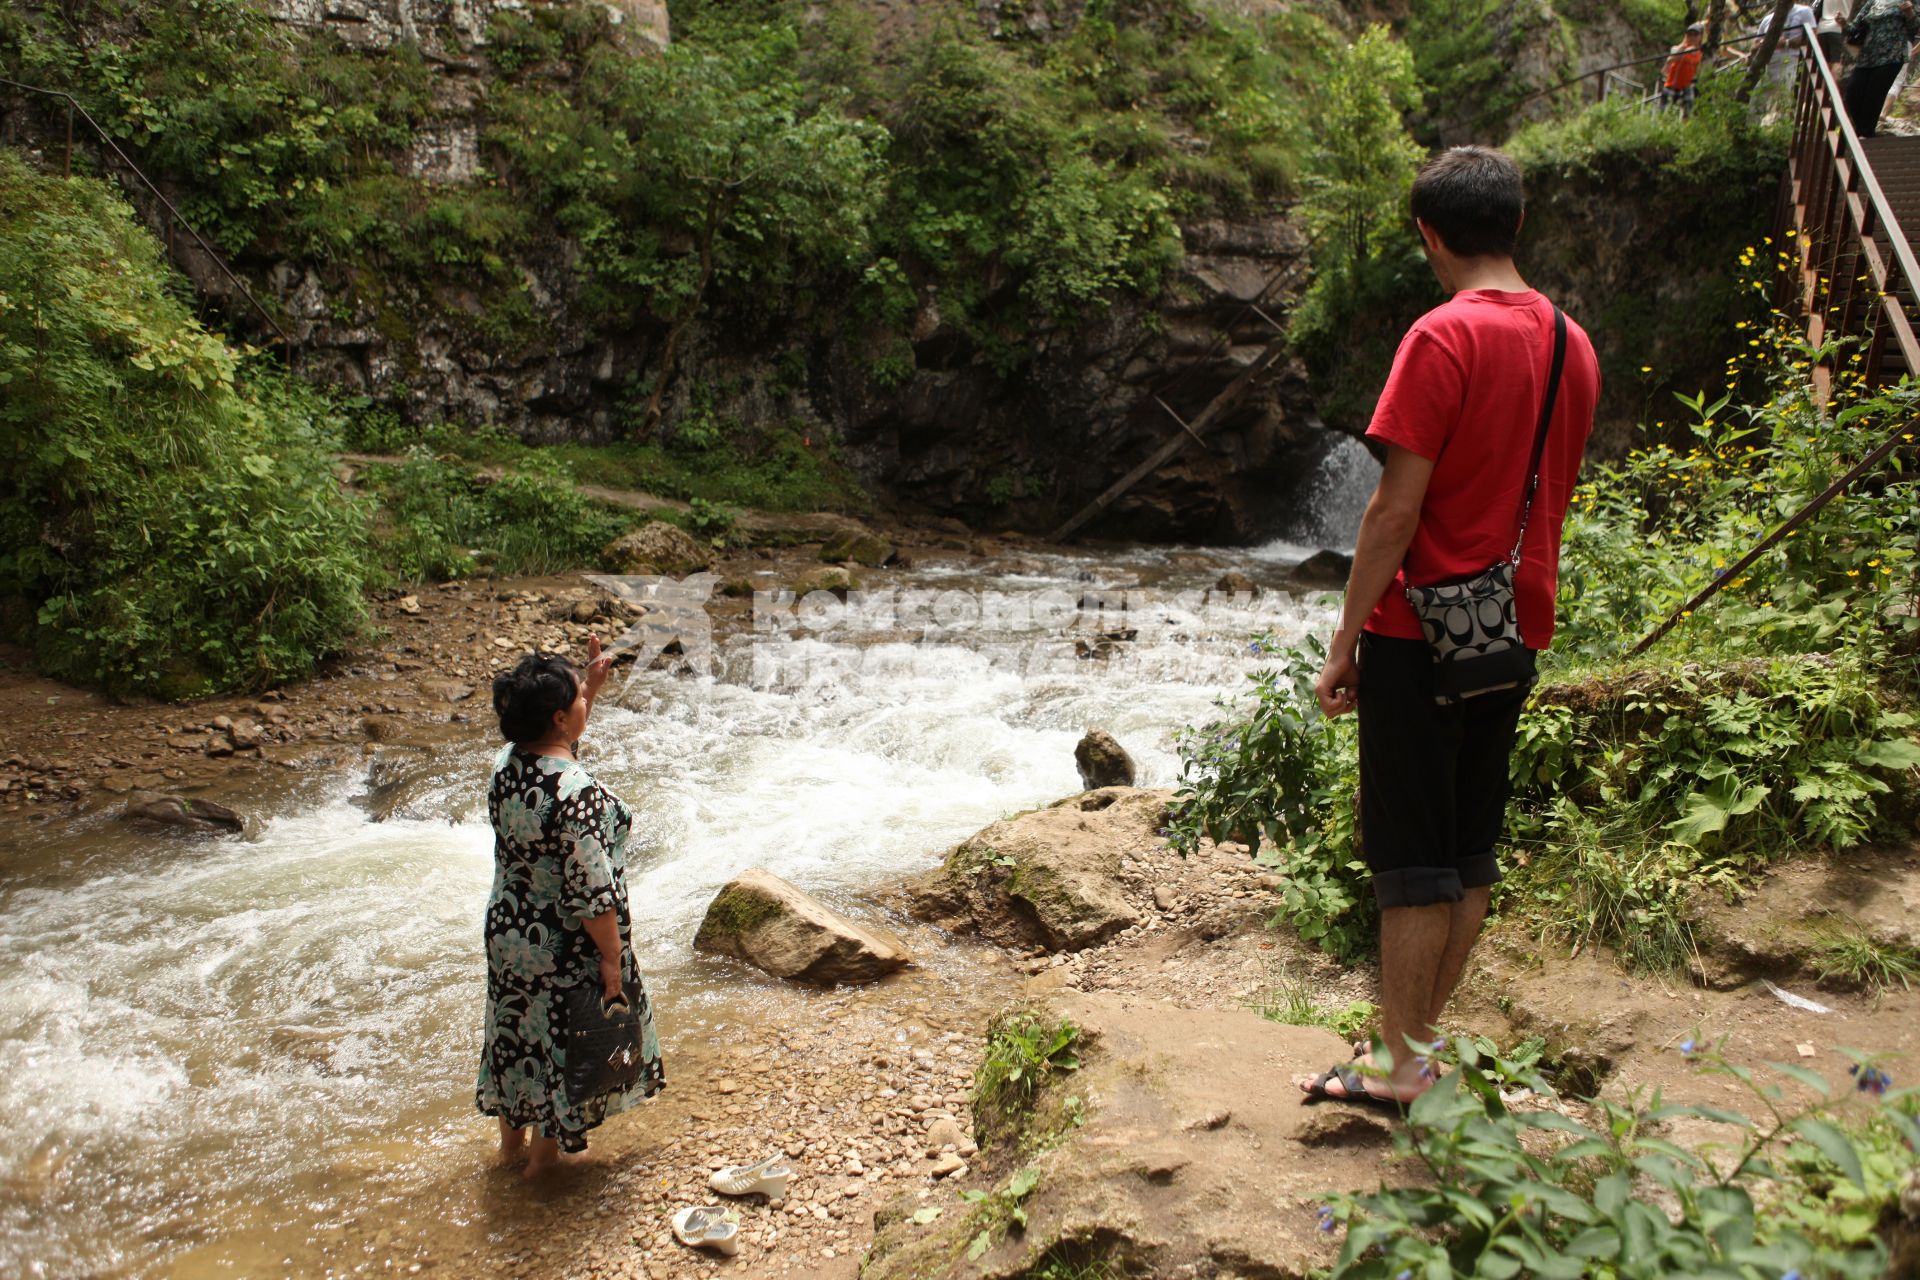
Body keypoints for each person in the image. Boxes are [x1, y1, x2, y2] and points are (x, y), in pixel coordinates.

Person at [1298, 147, 1599, 1109]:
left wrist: (1344, 641)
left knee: (1409, 859)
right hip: (1511, 629)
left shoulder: (1442, 337)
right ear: (1517, 222)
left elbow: (1394, 509)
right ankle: (1418, 1048)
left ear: (1431, 234)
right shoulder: (1570, 343)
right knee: (1467, 849)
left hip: (1418, 632)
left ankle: (1400, 1068)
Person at [478, 639, 664, 1175]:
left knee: (517, 1036)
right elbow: (591, 889)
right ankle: (543, 1170)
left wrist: (589, 689)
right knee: (564, 1045)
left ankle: (509, 1152)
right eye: (578, 698)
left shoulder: (507, 764)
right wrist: (611, 959)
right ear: (560, 717)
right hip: (563, 941)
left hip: (510, 931)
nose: (586, 700)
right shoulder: (576, 791)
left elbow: (555, 750)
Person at [1845, 0, 1920, 137]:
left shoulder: (1909, 1)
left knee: (1874, 94)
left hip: (1892, 56)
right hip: (1867, 56)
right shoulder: (1873, 2)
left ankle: (1865, 134)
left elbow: (1915, 26)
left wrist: (1909, 13)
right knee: (1852, 92)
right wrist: (1843, 24)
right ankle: (1863, 131)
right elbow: (1854, 27)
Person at [1661, 22, 1707, 114]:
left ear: (1700, 37)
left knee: (1687, 112)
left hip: (1687, 87)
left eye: (1695, 35)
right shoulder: (1680, 48)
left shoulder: (1701, 53)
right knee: (1666, 112)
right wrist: (1684, 51)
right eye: (1690, 34)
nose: (1692, 37)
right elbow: (1670, 60)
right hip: (1672, 85)